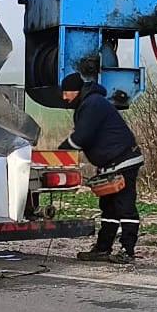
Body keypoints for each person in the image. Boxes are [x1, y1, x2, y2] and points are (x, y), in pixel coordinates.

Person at [60, 71, 144, 264]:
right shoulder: (89, 103)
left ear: (76, 91)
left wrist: (62, 152)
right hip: (110, 165)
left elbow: (83, 136)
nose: (64, 98)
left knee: (125, 206)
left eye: (66, 93)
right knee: (109, 208)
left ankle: (127, 250)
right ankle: (103, 248)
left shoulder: (93, 104)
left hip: (123, 162)